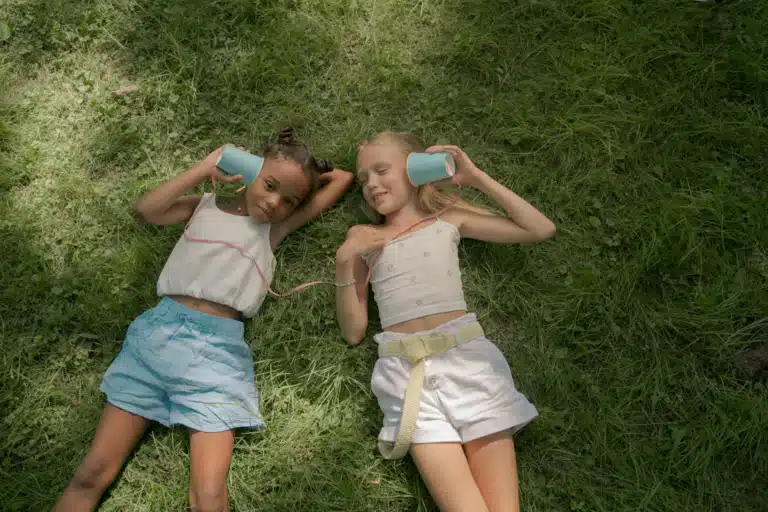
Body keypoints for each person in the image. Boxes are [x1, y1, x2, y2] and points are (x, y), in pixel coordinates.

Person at [54, 128, 354, 512]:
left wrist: (310, 175)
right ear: (250, 170)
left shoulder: (274, 229)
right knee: (92, 471)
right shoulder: (204, 207)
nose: (275, 201)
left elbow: (342, 178)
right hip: (157, 338)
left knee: (209, 495)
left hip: (217, 355)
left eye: (289, 200)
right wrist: (206, 166)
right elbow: (148, 210)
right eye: (269, 185)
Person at [335, 131, 555, 512]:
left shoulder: (448, 219)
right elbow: (354, 332)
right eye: (363, 178)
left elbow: (539, 229)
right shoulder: (363, 236)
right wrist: (344, 262)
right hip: (407, 375)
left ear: (416, 170)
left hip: (469, 364)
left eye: (381, 170)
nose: (370, 183)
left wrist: (475, 177)